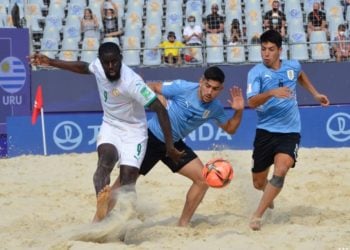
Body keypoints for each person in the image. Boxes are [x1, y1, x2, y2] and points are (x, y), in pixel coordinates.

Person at [29, 42, 184, 223]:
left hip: (135, 133)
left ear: (121, 59)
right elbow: (83, 67)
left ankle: (125, 223)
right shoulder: (99, 67)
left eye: (114, 62)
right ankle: (102, 209)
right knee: (106, 160)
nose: (110, 67)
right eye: (106, 63)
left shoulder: (132, 82)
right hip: (111, 125)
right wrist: (51, 62)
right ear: (101, 62)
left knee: (127, 179)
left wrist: (170, 146)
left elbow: (160, 109)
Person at [99, 66, 244, 227]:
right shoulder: (182, 87)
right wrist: (157, 96)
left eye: (215, 89)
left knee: (203, 180)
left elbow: (230, 129)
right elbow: (151, 86)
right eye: (207, 86)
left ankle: (183, 224)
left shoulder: (215, 108)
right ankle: (98, 222)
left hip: (174, 145)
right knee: (124, 183)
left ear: (221, 89)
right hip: (151, 139)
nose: (210, 92)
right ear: (201, 81)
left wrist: (238, 111)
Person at [246, 29, 330, 231]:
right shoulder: (256, 72)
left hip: (290, 131)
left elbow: (300, 75)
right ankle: (267, 191)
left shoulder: (292, 66)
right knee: (258, 182)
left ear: (280, 51)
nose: (266, 53)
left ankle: (257, 215)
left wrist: (315, 94)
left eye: (271, 49)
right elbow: (251, 101)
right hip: (265, 131)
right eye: (263, 49)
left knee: (281, 169)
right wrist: (272, 92)